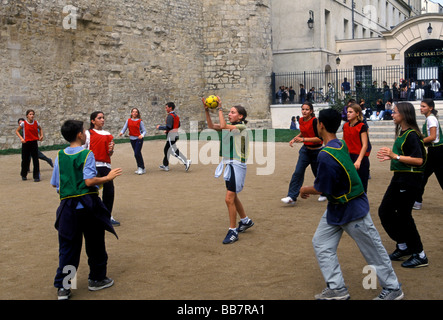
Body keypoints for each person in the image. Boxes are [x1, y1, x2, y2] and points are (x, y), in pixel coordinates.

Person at [299, 108, 403, 300]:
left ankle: (393, 288)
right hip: (337, 207)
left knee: (372, 249)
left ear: (320, 125)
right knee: (321, 243)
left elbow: (323, 188)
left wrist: (305, 189)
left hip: (353, 208)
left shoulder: (326, 154)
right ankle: (337, 288)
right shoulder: (340, 144)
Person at [51, 120, 122, 300]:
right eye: (83, 131)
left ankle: (64, 288)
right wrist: (107, 177)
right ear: (80, 135)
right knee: (95, 244)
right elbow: (89, 181)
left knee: (68, 247)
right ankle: (97, 279)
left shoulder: (59, 156)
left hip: (67, 207)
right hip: (87, 205)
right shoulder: (86, 154)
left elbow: (55, 184)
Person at [377, 102, 428, 268]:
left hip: (410, 179)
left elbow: (419, 160)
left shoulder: (412, 135)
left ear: (404, 114)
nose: (392, 114)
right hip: (400, 177)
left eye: (395, 112)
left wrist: (395, 156)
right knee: (385, 211)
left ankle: (420, 254)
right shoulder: (403, 133)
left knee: (404, 215)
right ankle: (403, 245)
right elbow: (403, 156)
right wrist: (393, 157)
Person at [202, 97, 254, 244]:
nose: (229, 114)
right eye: (229, 112)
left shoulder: (241, 127)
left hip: (236, 165)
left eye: (232, 112)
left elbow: (223, 125)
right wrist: (207, 110)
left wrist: (219, 108)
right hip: (229, 164)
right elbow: (212, 125)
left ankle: (233, 231)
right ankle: (245, 221)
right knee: (233, 196)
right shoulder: (229, 126)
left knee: (229, 198)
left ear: (241, 116)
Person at [281, 102, 325, 205]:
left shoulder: (315, 121)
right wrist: (295, 138)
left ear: (311, 111)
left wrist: (303, 139)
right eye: (303, 109)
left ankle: (324, 192)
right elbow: (303, 131)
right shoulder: (301, 120)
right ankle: (291, 197)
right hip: (305, 151)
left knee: (318, 174)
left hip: (317, 152)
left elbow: (319, 138)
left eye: (307, 109)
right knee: (298, 172)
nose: (304, 111)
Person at [83, 111, 120, 227]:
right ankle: (92, 215)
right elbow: (83, 149)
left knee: (109, 191)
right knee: (92, 191)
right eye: (99, 118)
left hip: (105, 166)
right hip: (92, 166)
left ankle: (107, 215)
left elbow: (109, 153)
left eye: (103, 118)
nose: (102, 120)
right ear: (93, 121)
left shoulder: (108, 134)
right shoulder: (88, 134)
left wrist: (111, 150)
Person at [414, 99, 443, 210]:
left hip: (436, 152)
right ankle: (417, 201)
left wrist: (419, 141)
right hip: (435, 151)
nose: (421, 108)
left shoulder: (431, 119)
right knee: (423, 176)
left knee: (423, 176)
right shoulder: (430, 118)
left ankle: (417, 201)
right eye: (421, 106)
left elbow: (433, 137)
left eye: (424, 106)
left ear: (430, 108)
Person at [343, 103, 371, 193]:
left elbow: (365, 145)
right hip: (349, 157)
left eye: (351, 112)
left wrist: (359, 160)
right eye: (347, 112)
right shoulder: (345, 126)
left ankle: (362, 206)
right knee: (348, 184)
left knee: (362, 186)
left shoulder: (361, 126)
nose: (348, 114)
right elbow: (344, 142)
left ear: (357, 113)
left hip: (361, 158)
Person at [156, 102, 191, 172]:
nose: (165, 109)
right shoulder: (176, 116)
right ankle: (165, 165)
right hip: (175, 134)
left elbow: (169, 126)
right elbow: (178, 125)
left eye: (166, 107)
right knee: (166, 149)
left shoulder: (170, 116)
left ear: (170, 108)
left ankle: (186, 162)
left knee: (173, 151)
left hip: (171, 136)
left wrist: (160, 127)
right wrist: (168, 130)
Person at [15, 109, 43, 182]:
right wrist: (21, 138)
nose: (32, 116)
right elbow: (17, 131)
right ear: (27, 115)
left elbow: (40, 129)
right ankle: (24, 174)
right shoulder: (23, 123)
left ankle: (36, 176)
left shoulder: (36, 123)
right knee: (25, 160)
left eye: (33, 114)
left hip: (34, 142)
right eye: (30, 114)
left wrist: (41, 135)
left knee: (35, 160)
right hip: (26, 143)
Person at [118, 108, 147, 175]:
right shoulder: (128, 121)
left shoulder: (140, 121)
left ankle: (140, 167)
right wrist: (121, 132)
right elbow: (124, 128)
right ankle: (142, 168)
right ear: (131, 113)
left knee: (136, 153)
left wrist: (142, 135)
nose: (134, 113)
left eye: (136, 112)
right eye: (133, 112)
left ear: (137, 114)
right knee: (137, 153)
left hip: (139, 139)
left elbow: (144, 131)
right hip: (132, 139)